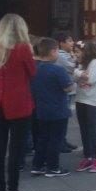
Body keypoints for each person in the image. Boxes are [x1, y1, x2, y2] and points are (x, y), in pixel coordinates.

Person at [0, 13, 37, 191]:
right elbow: (32, 72)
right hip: (18, 103)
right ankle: (13, 190)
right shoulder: (23, 48)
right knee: (16, 150)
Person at [30, 37, 75, 177]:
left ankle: (38, 165)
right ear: (52, 51)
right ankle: (53, 167)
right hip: (58, 109)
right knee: (56, 139)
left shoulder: (35, 69)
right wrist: (75, 82)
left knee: (43, 138)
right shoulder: (58, 70)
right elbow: (68, 88)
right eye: (56, 51)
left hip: (41, 109)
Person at [74, 39, 96, 173]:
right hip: (80, 99)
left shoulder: (95, 63)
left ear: (85, 51)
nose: (75, 54)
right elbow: (75, 78)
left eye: (77, 51)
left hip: (92, 101)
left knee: (93, 130)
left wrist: (78, 73)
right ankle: (88, 156)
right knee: (84, 130)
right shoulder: (81, 64)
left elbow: (91, 79)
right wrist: (79, 73)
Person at [52, 31, 78, 153]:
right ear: (61, 43)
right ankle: (60, 142)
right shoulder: (61, 56)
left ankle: (63, 140)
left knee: (65, 117)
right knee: (62, 118)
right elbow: (72, 67)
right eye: (69, 41)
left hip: (70, 89)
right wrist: (76, 58)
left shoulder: (67, 54)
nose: (72, 43)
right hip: (64, 89)